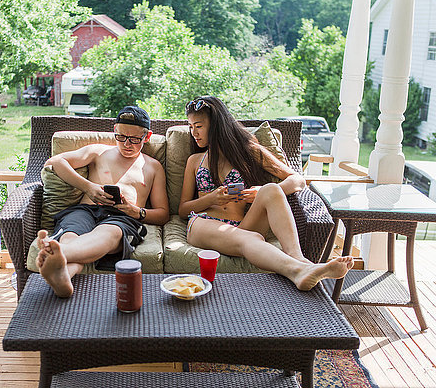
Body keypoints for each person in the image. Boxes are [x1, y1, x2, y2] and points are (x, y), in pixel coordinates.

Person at [179, 96, 353, 291]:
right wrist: (212, 198)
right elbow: (183, 210)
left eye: (198, 126)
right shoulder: (195, 161)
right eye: (190, 126)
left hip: (243, 225)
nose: (193, 132)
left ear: (216, 125)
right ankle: (298, 272)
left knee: (271, 189)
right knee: (251, 239)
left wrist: (259, 192)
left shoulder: (247, 151)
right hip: (203, 224)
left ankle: (299, 259)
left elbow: (297, 180)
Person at [36, 106, 170, 297]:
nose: (126, 144)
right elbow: (55, 162)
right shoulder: (99, 152)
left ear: (147, 137)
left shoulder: (153, 167)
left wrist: (135, 211)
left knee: (109, 233)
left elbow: (163, 213)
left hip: (122, 218)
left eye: (134, 139)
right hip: (86, 209)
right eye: (121, 137)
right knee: (72, 233)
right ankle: (63, 274)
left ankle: (57, 255)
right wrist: (88, 187)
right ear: (115, 130)